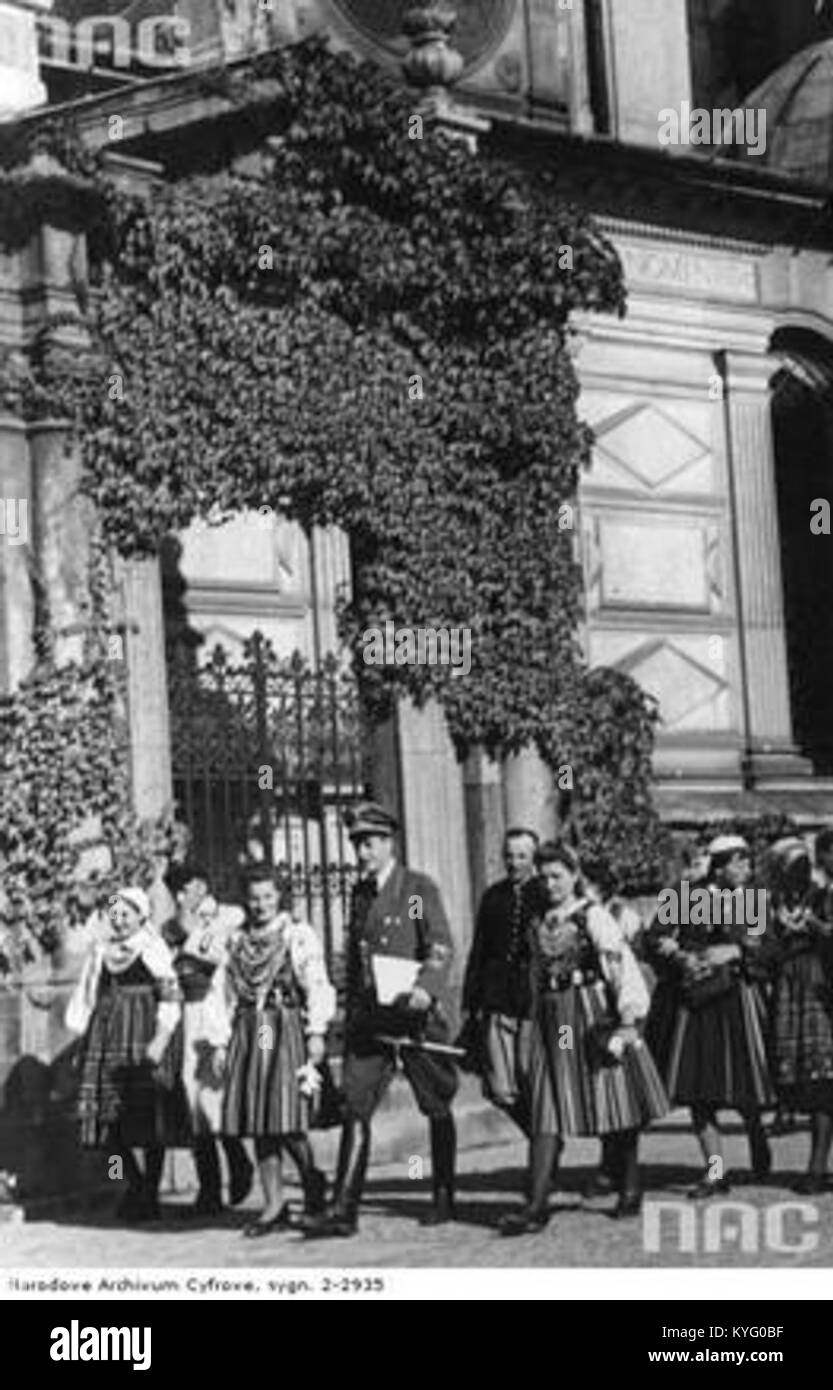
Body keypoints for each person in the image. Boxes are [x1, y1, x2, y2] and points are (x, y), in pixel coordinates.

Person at [303, 801, 458, 1239]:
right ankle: (343, 1209)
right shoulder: (360, 894)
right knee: (356, 1104)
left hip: (413, 1014)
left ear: (389, 842)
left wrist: (427, 986)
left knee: (436, 1102)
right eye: (357, 844)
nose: (363, 852)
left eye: (369, 843)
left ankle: (443, 1194)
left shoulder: (415, 889)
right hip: (372, 1017)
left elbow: (439, 944)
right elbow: (356, 960)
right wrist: (346, 1013)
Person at [500, 843, 668, 1236]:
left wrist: (628, 1018)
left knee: (611, 1099)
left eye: (557, 875)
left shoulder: (594, 917)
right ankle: (536, 1204)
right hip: (552, 1021)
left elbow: (620, 966)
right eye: (544, 877)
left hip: (590, 1013)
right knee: (547, 1103)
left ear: (574, 876)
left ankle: (630, 1187)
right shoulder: (538, 921)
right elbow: (534, 977)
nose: (550, 883)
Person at [203, 864, 335, 1237]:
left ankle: (312, 1180)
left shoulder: (297, 934)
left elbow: (317, 981)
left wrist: (317, 1031)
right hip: (251, 1029)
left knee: (286, 1116)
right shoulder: (236, 940)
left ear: (279, 897)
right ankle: (274, 1205)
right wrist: (219, 1040)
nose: (261, 905)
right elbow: (221, 991)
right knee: (259, 1119)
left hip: (283, 1025)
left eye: (268, 897)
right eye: (254, 897)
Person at [644, 834, 774, 1198]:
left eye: (748, 862)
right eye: (739, 862)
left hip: (737, 999)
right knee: (699, 1092)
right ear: (719, 865)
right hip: (696, 1001)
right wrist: (677, 953)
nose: (746, 869)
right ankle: (716, 1172)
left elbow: (768, 951)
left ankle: (756, 1133)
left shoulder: (752, 900)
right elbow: (651, 938)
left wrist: (734, 951)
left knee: (743, 1085)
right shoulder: (686, 895)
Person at [66, 885, 188, 1222]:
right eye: (114, 914)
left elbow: (171, 995)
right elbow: (87, 996)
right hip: (105, 1038)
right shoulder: (101, 951)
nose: (119, 921)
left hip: (142, 1036)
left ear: (141, 917)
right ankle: (128, 1182)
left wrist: (162, 1037)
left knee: (149, 1119)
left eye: (126, 914)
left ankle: (149, 1190)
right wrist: (81, 1039)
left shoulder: (153, 949)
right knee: (107, 1123)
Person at [164, 865, 254, 1217]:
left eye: (187, 889)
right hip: (186, 1013)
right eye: (178, 892)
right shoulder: (172, 926)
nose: (182, 898)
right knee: (191, 1101)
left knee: (214, 1097)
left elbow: (219, 955)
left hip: (216, 1011)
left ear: (201, 885)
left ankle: (239, 1161)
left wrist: (187, 934)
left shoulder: (229, 915)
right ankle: (210, 1188)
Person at [460, 828, 545, 1138]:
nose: (514, 862)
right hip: (497, 999)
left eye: (522, 856)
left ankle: (543, 1152)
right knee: (500, 1089)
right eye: (509, 855)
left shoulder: (544, 893)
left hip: (532, 1002)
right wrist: (470, 1003)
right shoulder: (493, 896)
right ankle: (539, 1138)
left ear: (534, 858)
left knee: (530, 1080)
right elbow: (479, 950)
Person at [766, 837, 833, 1192]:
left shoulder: (822, 898)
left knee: (824, 1078)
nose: (800, 873)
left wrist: (815, 930)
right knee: (809, 1080)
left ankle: (816, 1167)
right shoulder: (773, 902)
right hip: (791, 989)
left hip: (820, 986)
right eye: (792, 868)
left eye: (805, 866)